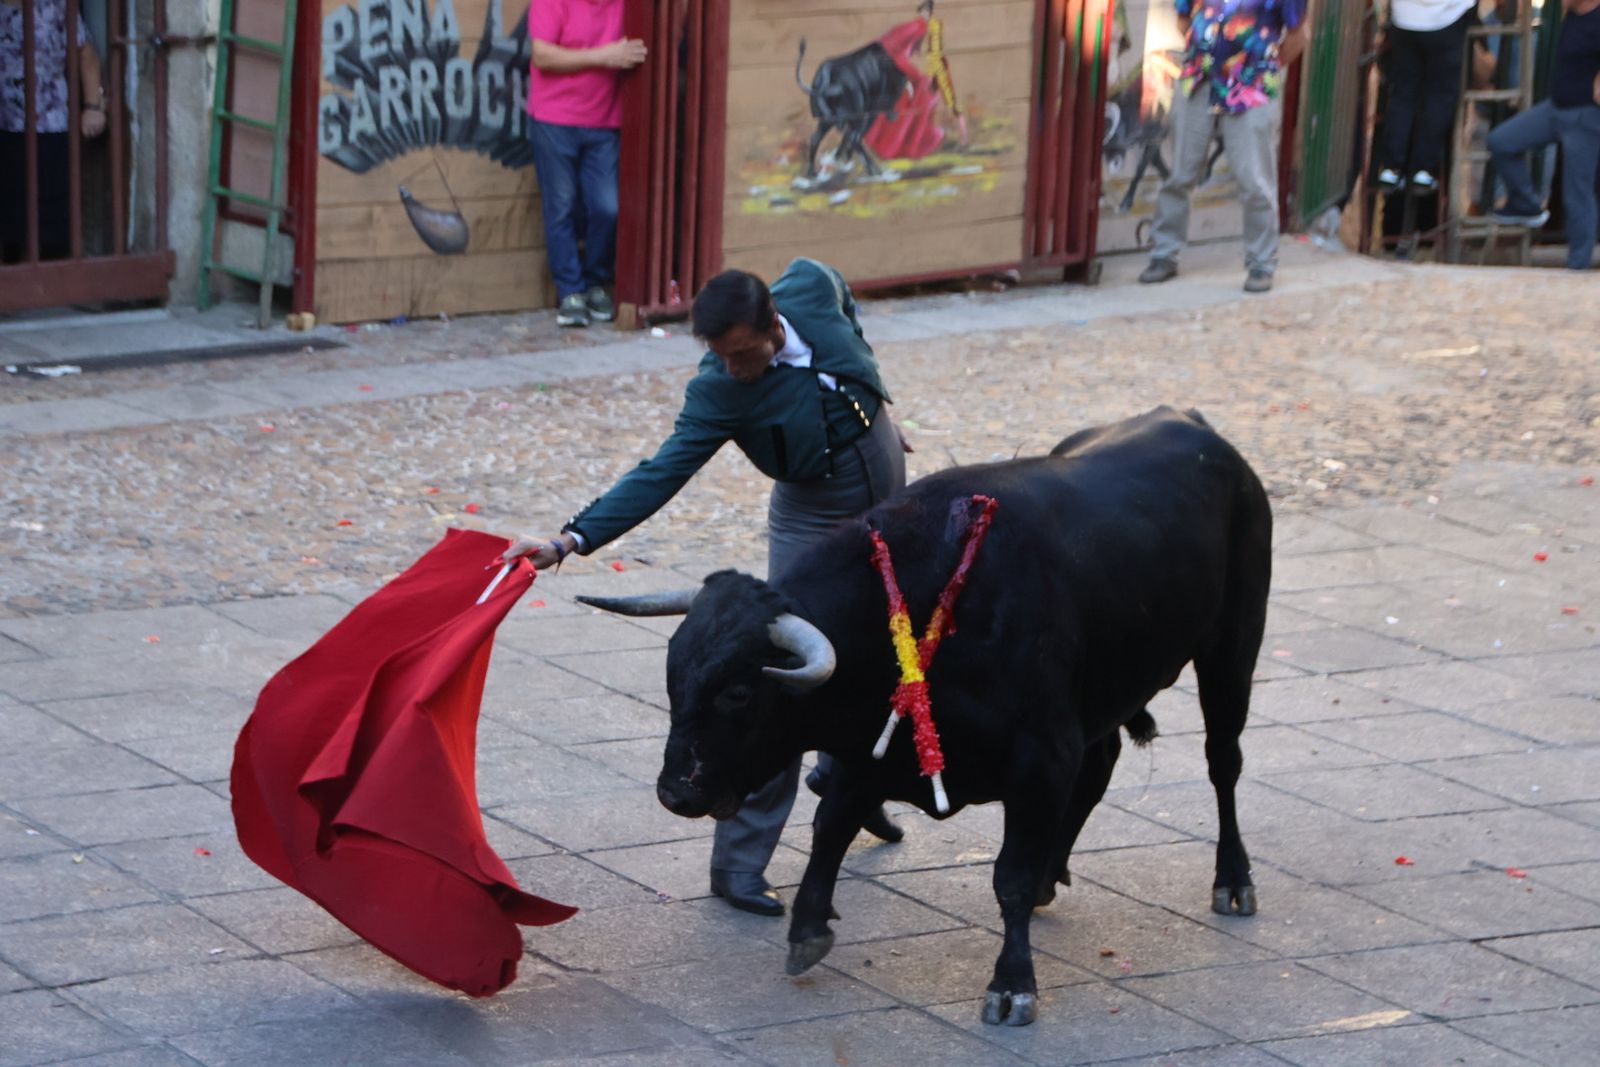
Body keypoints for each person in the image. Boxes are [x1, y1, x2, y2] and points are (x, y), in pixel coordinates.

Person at [504, 259, 910, 917]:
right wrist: (568, 540)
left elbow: (844, 302)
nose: (734, 368)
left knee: (883, 653)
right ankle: (739, 864)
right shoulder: (718, 392)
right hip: (812, 514)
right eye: (722, 357)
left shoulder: (808, 285)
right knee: (781, 672)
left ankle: (850, 784)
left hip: (885, 485)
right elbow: (660, 473)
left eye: (744, 354)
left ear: (775, 323)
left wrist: (876, 400)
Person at [1137, 0, 1309, 293]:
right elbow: (1182, 19)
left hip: (1250, 86)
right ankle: (1164, 254)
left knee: (1255, 180)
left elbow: (1297, 36)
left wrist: (1260, 65)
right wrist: (1207, 54)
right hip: (1198, 81)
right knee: (1180, 173)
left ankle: (1261, 263)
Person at [526, 0, 645, 328]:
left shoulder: (625, 5)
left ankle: (595, 283)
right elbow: (542, 55)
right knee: (560, 207)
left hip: (604, 120)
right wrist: (604, 56)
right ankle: (570, 292)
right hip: (554, 119)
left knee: (607, 207)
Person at [1486, 0, 1600, 270]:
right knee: (1501, 141)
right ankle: (1527, 205)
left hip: (1584, 115)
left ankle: (1578, 265)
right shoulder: (1571, 14)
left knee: (1577, 193)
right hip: (1555, 108)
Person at [0, 0, 105, 262]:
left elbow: (86, 55)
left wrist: (93, 106)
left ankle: (50, 274)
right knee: (9, 205)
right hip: (4, 123)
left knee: (50, 205)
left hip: (48, 120)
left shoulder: (56, 7)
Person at [1376, 0, 1478, 196]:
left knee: (1403, 94)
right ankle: (1422, 170)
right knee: (1439, 96)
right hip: (1448, 17)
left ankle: (1391, 169)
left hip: (1404, 18)